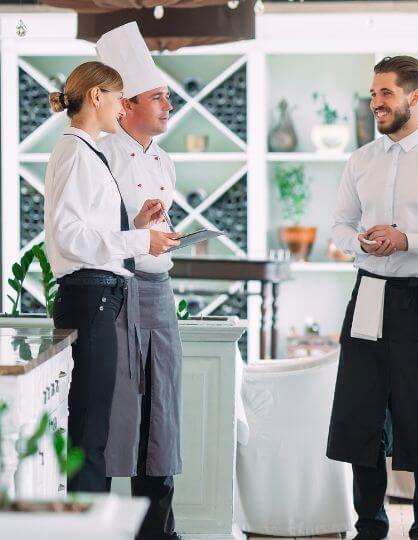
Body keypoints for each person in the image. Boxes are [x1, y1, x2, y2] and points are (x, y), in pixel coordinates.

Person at [326, 55, 418, 540]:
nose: (376, 103)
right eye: (373, 94)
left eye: (385, 93)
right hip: (369, 292)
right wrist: (361, 243)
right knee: (361, 415)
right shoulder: (360, 160)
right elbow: (339, 225)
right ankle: (369, 526)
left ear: (414, 97)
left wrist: (407, 239)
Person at [44, 61, 180, 494]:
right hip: (90, 296)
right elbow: (69, 237)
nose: (123, 108)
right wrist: (140, 243)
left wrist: (137, 226)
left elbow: (89, 228)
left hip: (99, 295)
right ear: (97, 97)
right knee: (89, 430)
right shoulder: (76, 151)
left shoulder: (86, 150)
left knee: (95, 427)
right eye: (119, 97)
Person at [96, 23, 184, 540]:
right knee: (117, 414)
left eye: (167, 96)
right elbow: (91, 236)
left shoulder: (164, 160)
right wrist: (135, 232)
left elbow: (151, 230)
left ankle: (158, 530)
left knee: (162, 414)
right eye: (158, 97)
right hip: (117, 293)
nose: (168, 105)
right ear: (124, 105)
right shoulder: (101, 154)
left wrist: (161, 231)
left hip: (159, 294)